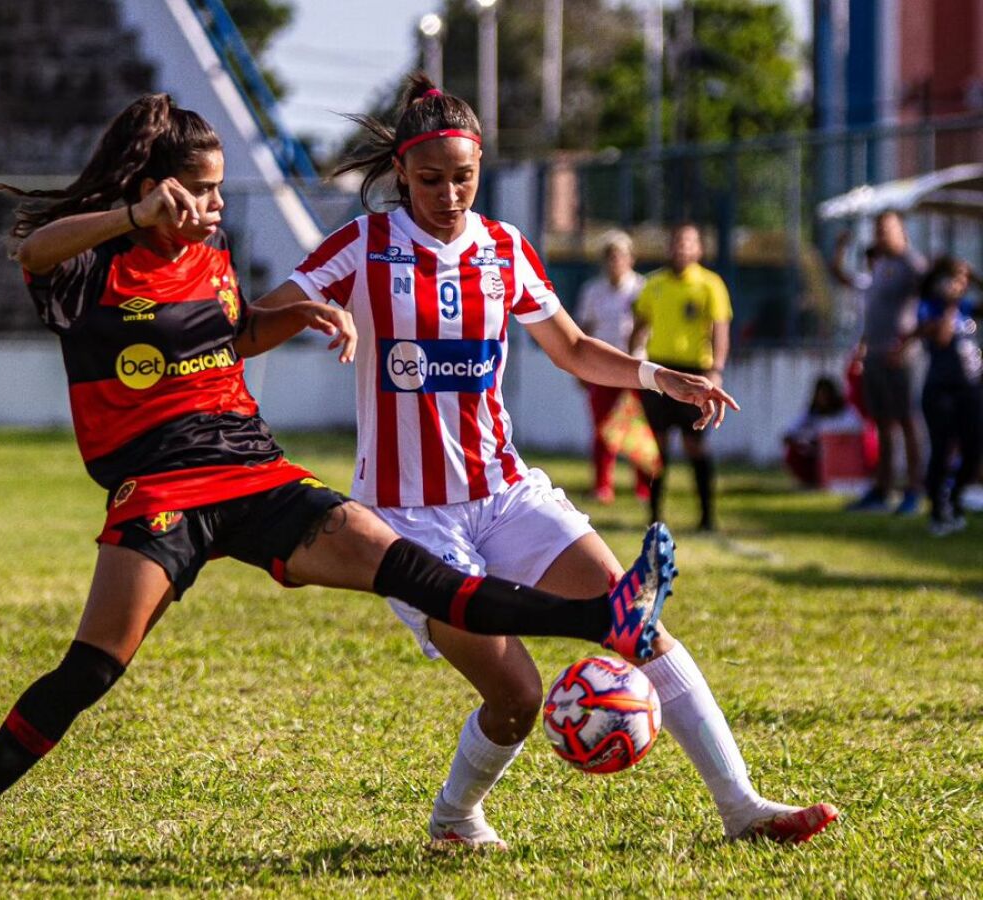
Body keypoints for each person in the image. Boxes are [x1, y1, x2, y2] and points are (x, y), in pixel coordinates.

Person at [0, 94, 680, 880]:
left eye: (219, 189)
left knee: (417, 571)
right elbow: (34, 253)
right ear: (157, 189)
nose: (214, 205)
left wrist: (303, 312)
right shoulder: (96, 263)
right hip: (161, 487)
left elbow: (234, 337)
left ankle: (601, 616)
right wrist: (130, 215)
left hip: (251, 467)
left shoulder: (211, 251)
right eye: (200, 190)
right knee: (91, 670)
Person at [256, 75, 836, 849]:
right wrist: (306, 309)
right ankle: (457, 817)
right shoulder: (363, 246)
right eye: (431, 180)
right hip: (406, 520)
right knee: (517, 695)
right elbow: (257, 320)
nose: (449, 193)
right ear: (401, 172)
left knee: (637, 623)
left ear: (481, 166)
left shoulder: (503, 249)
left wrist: (657, 375)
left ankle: (743, 808)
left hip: (507, 495)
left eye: (464, 177)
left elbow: (569, 347)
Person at [629, 223, 732, 532]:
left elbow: (720, 330)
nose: (682, 248)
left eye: (689, 242)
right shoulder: (654, 284)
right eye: (677, 242)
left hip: (694, 372)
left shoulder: (710, 285)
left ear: (698, 249)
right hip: (660, 370)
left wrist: (717, 369)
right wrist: (630, 360)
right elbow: (640, 325)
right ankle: (654, 516)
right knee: (656, 446)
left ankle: (706, 517)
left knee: (694, 445)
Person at [831, 212, 927, 514]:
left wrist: (907, 343)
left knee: (908, 422)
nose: (881, 236)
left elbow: (932, 305)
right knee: (882, 424)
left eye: (887, 230)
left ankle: (914, 490)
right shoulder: (881, 265)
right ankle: (882, 490)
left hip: (900, 359)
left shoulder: (913, 265)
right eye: (878, 230)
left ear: (902, 232)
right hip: (874, 357)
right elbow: (850, 285)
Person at [574, 230, 653, 503]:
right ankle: (602, 485)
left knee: (638, 427)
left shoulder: (643, 288)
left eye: (620, 256)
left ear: (630, 258)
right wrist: (580, 367)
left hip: (636, 367)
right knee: (603, 427)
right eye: (610, 257)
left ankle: (645, 487)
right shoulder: (593, 291)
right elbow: (584, 330)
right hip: (603, 368)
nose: (615, 262)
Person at [917, 256, 982, 535]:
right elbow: (942, 338)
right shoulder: (929, 308)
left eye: (961, 279)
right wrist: (950, 304)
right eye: (953, 278)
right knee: (942, 450)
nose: (959, 285)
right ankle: (937, 510)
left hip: (971, 387)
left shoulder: (968, 307)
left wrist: (975, 278)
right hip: (941, 389)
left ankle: (954, 501)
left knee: (974, 449)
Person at [781, 376, 868, 488]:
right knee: (793, 453)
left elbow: (855, 432)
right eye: (820, 395)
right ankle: (811, 481)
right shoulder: (812, 412)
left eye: (826, 395)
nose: (823, 399)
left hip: (841, 456)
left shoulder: (846, 412)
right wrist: (802, 441)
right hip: (817, 455)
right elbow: (790, 431)